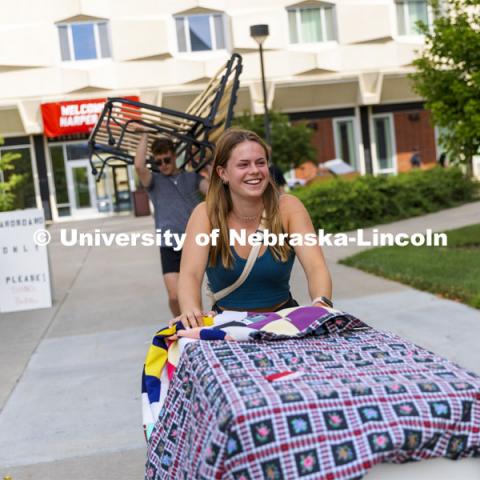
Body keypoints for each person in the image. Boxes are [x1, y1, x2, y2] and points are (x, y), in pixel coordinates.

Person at [175, 128, 332, 328]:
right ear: (223, 173)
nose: (255, 171)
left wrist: (321, 303)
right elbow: (190, 274)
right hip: (228, 327)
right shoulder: (205, 214)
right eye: (243, 164)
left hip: (283, 324)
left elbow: (316, 266)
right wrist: (190, 311)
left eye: (260, 162)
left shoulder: (288, 208)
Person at [135, 133, 209, 317]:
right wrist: (144, 134)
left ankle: (195, 326)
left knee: (194, 295)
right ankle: (180, 323)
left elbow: (214, 190)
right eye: (158, 162)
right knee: (175, 297)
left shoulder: (191, 178)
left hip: (194, 243)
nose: (164, 165)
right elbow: (138, 166)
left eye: (167, 159)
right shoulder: (154, 182)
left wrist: (206, 161)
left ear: (175, 156)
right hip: (169, 245)